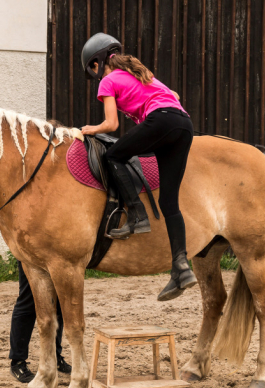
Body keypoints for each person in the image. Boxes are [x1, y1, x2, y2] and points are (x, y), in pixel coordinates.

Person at [80, 33, 197, 302]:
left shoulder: (108, 81)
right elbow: (174, 95)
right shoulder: (140, 73)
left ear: (97, 62)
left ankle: (137, 215)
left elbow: (111, 125)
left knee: (113, 156)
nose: (96, 73)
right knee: (170, 202)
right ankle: (181, 267)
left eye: (93, 68)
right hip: (183, 125)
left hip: (162, 121)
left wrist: (91, 129)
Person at [9, 261, 72, 383]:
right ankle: (17, 362)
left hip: (56, 254)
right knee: (28, 301)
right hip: (32, 252)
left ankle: (55, 356)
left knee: (58, 303)